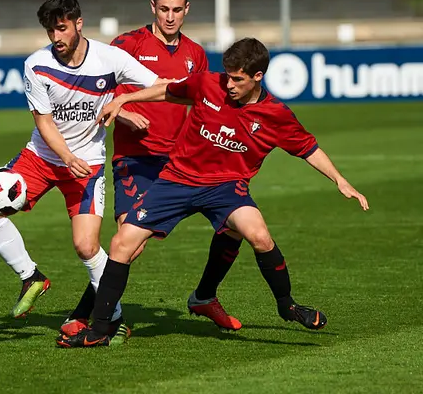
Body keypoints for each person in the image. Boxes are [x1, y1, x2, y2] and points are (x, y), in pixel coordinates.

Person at [58, 37, 369, 348]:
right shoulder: (209, 84)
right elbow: (168, 89)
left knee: (258, 234)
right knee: (121, 243)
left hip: (225, 188)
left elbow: (308, 148)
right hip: (177, 180)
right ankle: (99, 329)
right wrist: (124, 100)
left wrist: (339, 179)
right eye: (228, 75)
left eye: (237, 79)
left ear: (257, 77)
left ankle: (287, 305)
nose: (229, 84)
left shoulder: (276, 114)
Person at [61, 0, 244, 337]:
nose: (170, 17)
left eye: (177, 10)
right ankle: (89, 314)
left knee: (237, 224)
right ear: (153, 8)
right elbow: (96, 88)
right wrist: (124, 112)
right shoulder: (127, 44)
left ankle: (205, 296)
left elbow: (205, 102)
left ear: (187, 9)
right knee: (130, 239)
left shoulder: (195, 54)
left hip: (181, 163)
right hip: (136, 159)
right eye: (164, 10)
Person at [0, 0, 165, 341]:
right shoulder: (37, 64)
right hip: (42, 157)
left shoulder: (110, 58)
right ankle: (31, 277)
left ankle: (111, 314)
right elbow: (44, 122)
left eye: (62, 29)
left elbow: (161, 86)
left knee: (87, 247)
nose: (56, 38)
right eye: (51, 31)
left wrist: (123, 99)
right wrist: (65, 157)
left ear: (79, 23)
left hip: (88, 165)